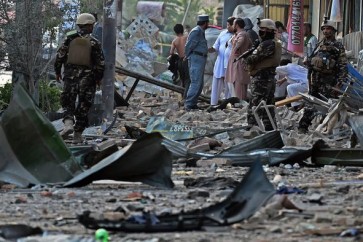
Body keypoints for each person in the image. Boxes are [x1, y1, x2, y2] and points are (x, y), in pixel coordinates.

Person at [54, 13, 105, 143]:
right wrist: (98, 78)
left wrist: (58, 71)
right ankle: (77, 134)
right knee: (84, 105)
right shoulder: (94, 42)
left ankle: (68, 124)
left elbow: (60, 56)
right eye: (92, 25)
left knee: (67, 102)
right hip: (88, 80)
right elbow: (100, 64)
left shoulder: (69, 39)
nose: (93, 27)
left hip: (70, 78)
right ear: (88, 26)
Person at [298, 18, 348, 133]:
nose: (326, 31)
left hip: (328, 82)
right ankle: (303, 127)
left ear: (333, 30)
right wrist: (308, 61)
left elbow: (343, 66)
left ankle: (327, 128)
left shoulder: (338, 46)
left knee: (325, 105)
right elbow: (313, 60)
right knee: (310, 102)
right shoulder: (319, 44)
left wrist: (339, 83)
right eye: (324, 29)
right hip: (315, 80)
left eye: (328, 29)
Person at [244, 18, 282, 131]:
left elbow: (253, 59)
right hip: (268, 77)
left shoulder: (267, 44)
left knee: (255, 104)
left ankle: (252, 129)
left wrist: (247, 57)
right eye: (260, 29)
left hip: (261, 78)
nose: (261, 31)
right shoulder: (273, 43)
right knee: (268, 106)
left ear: (270, 30)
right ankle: (270, 128)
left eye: (264, 29)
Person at [184, 14, 209, 111]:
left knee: (199, 83)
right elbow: (189, 45)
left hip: (199, 59)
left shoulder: (200, 31)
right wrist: (187, 55)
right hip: (196, 59)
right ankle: (189, 104)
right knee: (195, 82)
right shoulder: (196, 31)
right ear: (205, 23)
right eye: (208, 23)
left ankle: (193, 103)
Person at [208, 16, 235, 106]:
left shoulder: (237, 35)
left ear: (234, 25)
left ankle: (229, 104)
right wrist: (208, 49)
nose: (227, 27)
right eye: (227, 25)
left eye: (229, 25)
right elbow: (216, 46)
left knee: (229, 86)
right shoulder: (222, 33)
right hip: (220, 63)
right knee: (216, 85)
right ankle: (213, 104)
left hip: (230, 64)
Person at [225, 18, 252, 100]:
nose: (232, 26)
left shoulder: (242, 34)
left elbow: (240, 43)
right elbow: (250, 45)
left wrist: (236, 48)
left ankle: (239, 103)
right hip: (238, 62)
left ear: (236, 25)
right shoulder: (242, 34)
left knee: (239, 84)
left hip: (238, 63)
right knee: (237, 83)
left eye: (233, 24)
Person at [169, 24, 190, 99]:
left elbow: (171, 53)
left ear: (175, 32)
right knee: (188, 79)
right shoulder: (187, 38)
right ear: (182, 30)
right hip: (187, 60)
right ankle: (186, 97)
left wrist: (177, 53)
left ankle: (183, 96)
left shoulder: (175, 40)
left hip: (180, 61)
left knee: (183, 79)